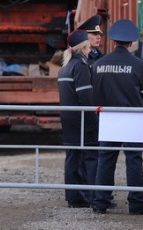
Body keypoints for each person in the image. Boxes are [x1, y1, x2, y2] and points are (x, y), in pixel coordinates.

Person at [91, 19, 143, 215]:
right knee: (134, 160)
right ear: (131, 43)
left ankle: (100, 202)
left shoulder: (99, 64)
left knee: (106, 160)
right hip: (133, 117)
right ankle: (136, 203)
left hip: (108, 117)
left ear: (113, 41)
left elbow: (95, 93)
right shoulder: (139, 65)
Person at [57, 30, 98, 208]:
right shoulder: (80, 65)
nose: (90, 51)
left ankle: (73, 196)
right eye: (88, 48)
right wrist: (93, 122)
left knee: (72, 156)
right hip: (80, 118)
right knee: (85, 155)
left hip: (68, 118)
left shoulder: (64, 67)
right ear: (83, 48)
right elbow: (85, 98)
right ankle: (86, 196)